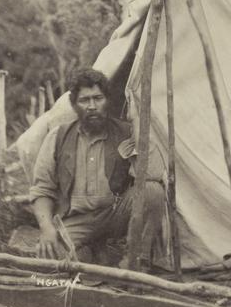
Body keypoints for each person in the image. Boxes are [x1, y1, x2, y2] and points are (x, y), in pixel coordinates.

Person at [29, 68, 166, 270]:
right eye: (85, 100)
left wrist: (137, 126)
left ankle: (135, 261)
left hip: (115, 212)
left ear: (107, 101)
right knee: (48, 262)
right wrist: (47, 229)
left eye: (98, 98)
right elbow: (42, 189)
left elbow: (153, 174)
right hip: (77, 220)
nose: (92, 106)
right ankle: (92, 251)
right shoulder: (58, 137)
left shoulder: (126, 132)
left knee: (153, 191)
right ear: (75, 105)